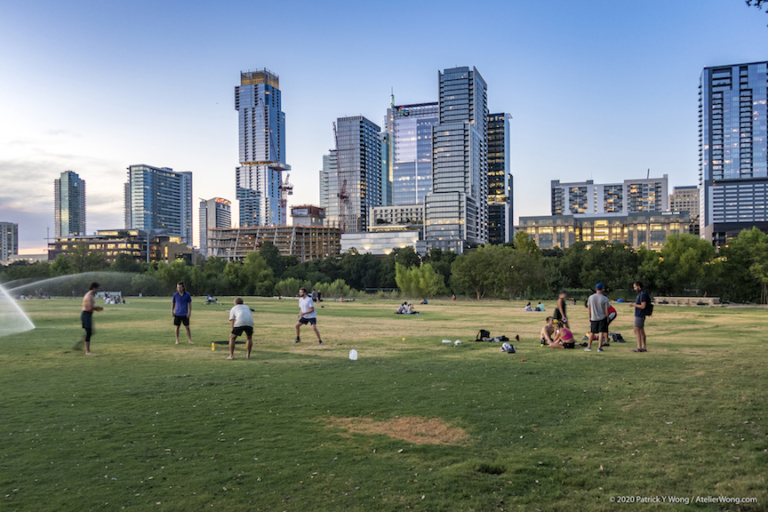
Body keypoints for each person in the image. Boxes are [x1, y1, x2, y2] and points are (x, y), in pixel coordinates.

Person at [78, 282, 102, 355]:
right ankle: (87, 351)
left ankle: (81, 344)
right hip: (86, 315)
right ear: (94, 288)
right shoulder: (89, 296)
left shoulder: (90, 295)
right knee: (89, 332)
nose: (97, 290)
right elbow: (89, 307)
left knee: (89, 332)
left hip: (87, 315)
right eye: (97, 289)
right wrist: (97, 308)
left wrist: (95, 309)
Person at [586, 283, 610, 352]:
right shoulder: (605, 298)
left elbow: (589, 308)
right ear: (602, 289)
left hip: (594, 317)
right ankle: (599, 347)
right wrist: (607, 318)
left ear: (596, 288)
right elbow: (606, 310)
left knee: (592, 332)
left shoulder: (591, 297)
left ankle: (589, 347)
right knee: (601, 332)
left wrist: (590, 316)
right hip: (602, 317)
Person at [629, 281, 649, 352]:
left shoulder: (642, 294)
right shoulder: (641, 294)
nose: (634, 289)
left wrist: (633, 305)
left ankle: (639, 347)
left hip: (640, 315)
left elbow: (643, 306)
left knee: (636, 330)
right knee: (641, 331)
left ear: (638, 286)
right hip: (639, 314)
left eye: (635, 287)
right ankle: (643, 347)